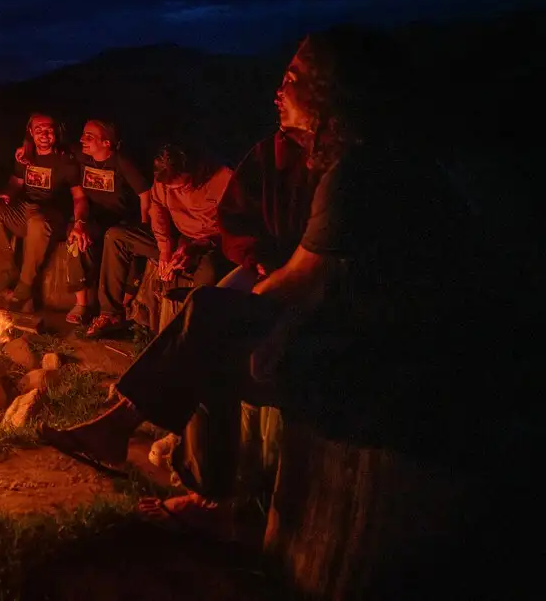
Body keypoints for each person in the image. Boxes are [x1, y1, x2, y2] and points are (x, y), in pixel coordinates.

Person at [41, 27, 482, 535]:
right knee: (211, 320)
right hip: (367, 329)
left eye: (293, 78)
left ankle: (181, 474)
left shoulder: (361, 172)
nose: (279, 89)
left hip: (399, 361)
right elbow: (285, 256)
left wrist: (267, 325)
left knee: (211, 326)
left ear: (326, 92)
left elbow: (306, 281)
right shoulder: (346, 157)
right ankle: (142, 445)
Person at [20, 120, 152, 330]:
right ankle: (81, 304)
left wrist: (145, 225)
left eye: (89, 137)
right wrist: (26, 148)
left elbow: (145, 194)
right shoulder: (81, 156)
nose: (82, 139)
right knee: (76, 237)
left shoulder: (122, 163)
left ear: (107, 143)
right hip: (94, 218)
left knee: (123, 247)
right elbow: (51, 147)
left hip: (120, 220)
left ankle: (122, 306)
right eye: (82, 134)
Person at [0, 113, 86, 312]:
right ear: (31, 132)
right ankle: (6, 272)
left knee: (37, 222)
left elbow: (78, 196)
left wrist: (79, 221)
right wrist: (6, 194)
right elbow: (15, 183)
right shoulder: (25, 155)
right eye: (38, 130)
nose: (44, 135)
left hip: (51, 215)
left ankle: (24, 288)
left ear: (56, 132)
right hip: (24, 210)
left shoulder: (66, 159)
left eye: (48, 130)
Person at [216, 128, 322, 291]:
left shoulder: (336, 157)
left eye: (287, 100)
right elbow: (234, 217)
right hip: (267, 261)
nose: (278, 101)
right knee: (207, 305)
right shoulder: (268, 153)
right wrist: (255, 256)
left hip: (319, 273)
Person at [146, 141, 234, 289]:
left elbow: (235, 226)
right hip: (184, 236)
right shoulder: (164, 178)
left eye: (183, 185)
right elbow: (158, 207)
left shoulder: (223, 178)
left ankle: (195, 307)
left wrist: (198, 245)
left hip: (214, 241)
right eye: (171, 188)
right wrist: (165, 249)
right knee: (117, 236)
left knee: (209, 271)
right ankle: (109, 311)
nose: (178, 191)